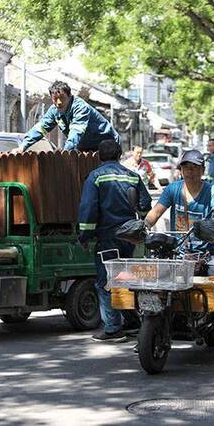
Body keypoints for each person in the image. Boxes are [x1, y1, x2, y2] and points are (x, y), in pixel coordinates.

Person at [143, 149, 214, 361]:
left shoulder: (213, 190)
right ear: (180, 170)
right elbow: (155, 213)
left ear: (202, 170)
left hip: (209, 253)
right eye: (186, 167)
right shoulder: (172, 190)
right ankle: (150, 332)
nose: (190, 172)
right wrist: (142, 226)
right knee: (155, 286)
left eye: (195, 168)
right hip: (180, 252)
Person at [78, 140, 152, 342]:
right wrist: (139, 221)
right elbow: (145, 205)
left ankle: (112, 329)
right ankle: (131, 322)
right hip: (129, 238)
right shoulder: (133, 176)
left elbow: (88, 209)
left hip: (107, 237)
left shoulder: (95, 177)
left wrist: (84, 236)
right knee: (125, 278)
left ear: (99, 156)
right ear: (119, 155)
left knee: (105, 281)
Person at [12, 81, 121, 153]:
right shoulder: (54, 111)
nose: (58, 102)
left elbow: (76, 133)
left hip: (108, 145)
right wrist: (23, 147)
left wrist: (65, 152)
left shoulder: (80, 108)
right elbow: (40, 128)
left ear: (70, 96)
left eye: (62, 98)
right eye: (55, 99)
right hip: (86, 149)